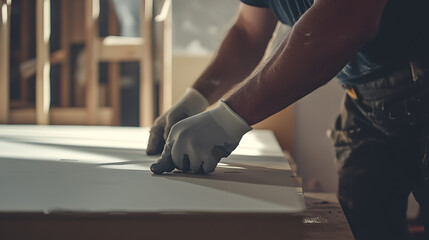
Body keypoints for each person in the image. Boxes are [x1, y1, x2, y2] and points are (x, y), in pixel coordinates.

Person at [146, 0, 429, 239]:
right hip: (365, 99)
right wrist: (196, 97)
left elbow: (346, 17)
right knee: (364, 228)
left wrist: (226, 119)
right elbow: (248, 32)